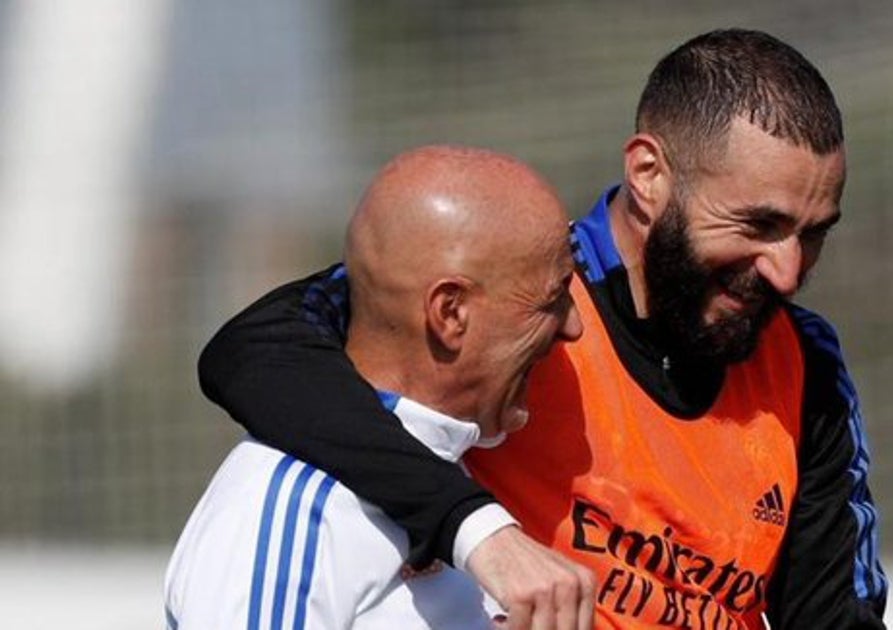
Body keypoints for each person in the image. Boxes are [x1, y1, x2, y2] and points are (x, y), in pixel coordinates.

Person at [199, 29, 888, 629]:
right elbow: (254, 351)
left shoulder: (805, 365)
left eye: (813, 234)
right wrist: (479, 531)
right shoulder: (515, 295)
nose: (789, 271)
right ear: (649, 174)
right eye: (758, 225)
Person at [165, 146, 595, 629]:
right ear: (450, 313)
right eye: (553, 298)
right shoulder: (297, 508)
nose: (572, 326)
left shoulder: (465, 461)